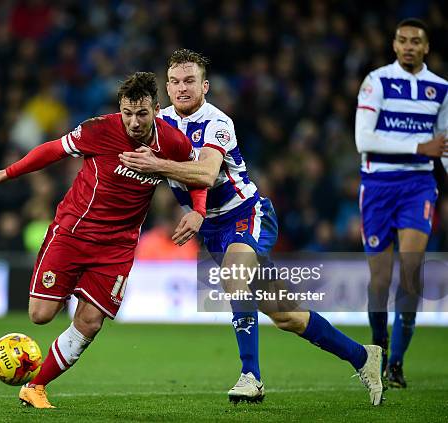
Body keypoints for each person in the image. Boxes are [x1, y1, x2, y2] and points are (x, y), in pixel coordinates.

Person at [119, 49, 384, 405]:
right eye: (176, 81)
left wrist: (157, 165)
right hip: (212, 230)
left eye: (190, 81)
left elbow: (207, 173)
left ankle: (251, 376)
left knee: (234, 274)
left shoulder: (217, 123)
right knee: (288, 315)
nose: (182, 88)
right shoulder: (159, 122)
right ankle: (363, 357)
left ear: (205, 86)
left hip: (246, 214)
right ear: (166, 86)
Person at [0, 72, 207, 408]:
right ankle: (70, 289)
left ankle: (35, 386)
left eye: (142, 114)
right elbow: (53, 149)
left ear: (157, 109)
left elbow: (197, 178)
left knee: (90, 322)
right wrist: (6, 173)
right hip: (74, 232)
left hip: (118, 246)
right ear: (120, 109)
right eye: (127, 113)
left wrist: (198, 211)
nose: (134, 122)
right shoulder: (99, 129)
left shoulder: (173, 143)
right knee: (40, 315)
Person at [355, 18, 448, 388]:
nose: (409, 46)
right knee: (380, 282)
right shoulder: (376, 81)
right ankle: (377, 347)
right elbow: (364, 139)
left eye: (416, 42)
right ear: (394, 45)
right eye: (402, 40)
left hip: (417, 186)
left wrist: (428, 154)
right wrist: (417, 146)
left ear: (426, 48)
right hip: (377, 185)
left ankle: (395, 364)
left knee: (410, 275)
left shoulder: (440, 89)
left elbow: (443, 146)